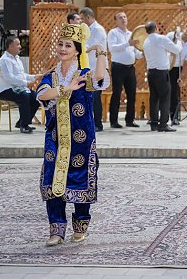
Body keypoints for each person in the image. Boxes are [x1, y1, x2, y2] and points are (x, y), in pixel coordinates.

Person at [35, 22, 109, 246]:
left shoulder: (84, 75)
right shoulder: (52, 76)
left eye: (68, 45)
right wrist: (65, 89)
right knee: (53, 179)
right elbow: (42, 94)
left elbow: (100, 79)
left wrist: (100, 51)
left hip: (81, 141)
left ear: (77, 50)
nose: (63, 48)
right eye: (60, 44)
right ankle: (56, 231)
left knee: (79, 178)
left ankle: (80, 225)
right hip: (55, 138)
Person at [0, 36, 42, 133]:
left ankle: (22, 122)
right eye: (18, 44)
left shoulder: (17, 58)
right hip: (5, 89)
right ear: (10, 46)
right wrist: (26, 83)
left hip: (16, 88)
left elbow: (21, 75)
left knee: (36, 97)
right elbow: (9, 78)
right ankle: (24, 126)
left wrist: (34, 77)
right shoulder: (5, 60)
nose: (20, 46)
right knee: (24, 96)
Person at [142, 21, 181, 132]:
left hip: (151, 72)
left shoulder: (146, 41)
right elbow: (177, 50)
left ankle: (153, 123)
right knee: (165, 98)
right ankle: (163, 124)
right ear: (156, 28)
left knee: (154, 98)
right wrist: (178, 40)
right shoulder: (161, 38)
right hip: (161, 72)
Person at [107, 11, 142, 128]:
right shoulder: (113, 33)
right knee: (116, 93)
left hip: (130, 68)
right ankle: (113, 121)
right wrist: (128, 44)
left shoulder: (131, 34)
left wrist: (144, 51)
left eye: (125, 17)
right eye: (120, 17)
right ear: (116, 21)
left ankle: (130, 120)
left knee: (132, 94)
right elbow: (112, 48)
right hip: (118, 67)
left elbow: (136, 53)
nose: (123, 19)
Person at [79, 7, 107, 132]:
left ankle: (98, 124)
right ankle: (90, 122)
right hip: (89, 67)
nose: (81, 21)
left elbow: (92, 46)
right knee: (90, 96)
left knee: (95, 96)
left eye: (82, 19)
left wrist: (79, 48)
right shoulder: (87, 30)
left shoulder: (98, 30)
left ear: (88, 17)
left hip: (97, 67)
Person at [167, 23, 187, 125]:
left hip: (176, 69)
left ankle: (174, 117)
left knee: (174, 94)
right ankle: (158, 117)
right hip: (164, 66)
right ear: (184, 28)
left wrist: (181, 77)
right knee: (161, 92)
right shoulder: (172, 35)